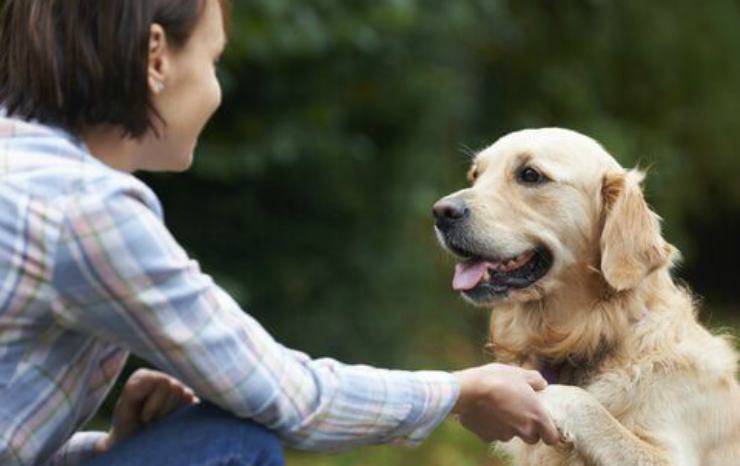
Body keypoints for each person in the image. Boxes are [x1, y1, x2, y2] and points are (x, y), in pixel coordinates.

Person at [0, 1, 560, 465]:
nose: (216, 90)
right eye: (213, 60)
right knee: (232, 442)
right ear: (155, 57)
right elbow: (290, 398)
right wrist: (460, 393)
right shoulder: (88, 211)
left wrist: (109, 450)